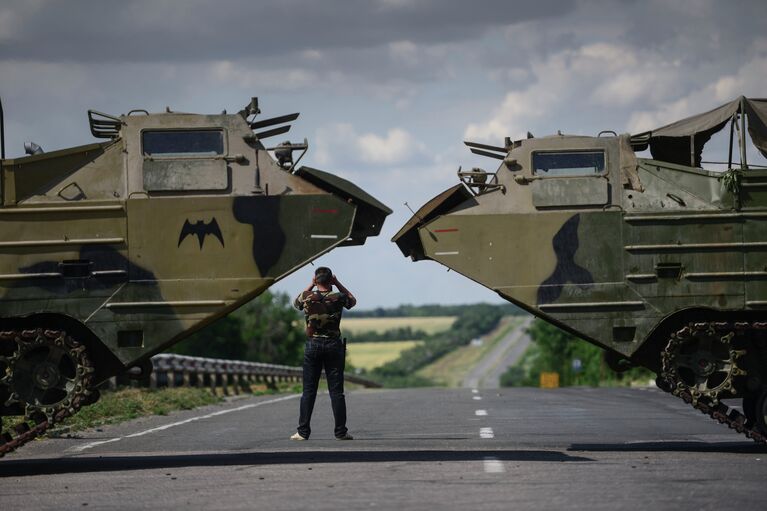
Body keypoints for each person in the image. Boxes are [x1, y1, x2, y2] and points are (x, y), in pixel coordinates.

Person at [290, 266, 356, 441]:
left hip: (313, 345)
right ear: (330, 280)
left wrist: (310, 285)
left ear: (316, 279)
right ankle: (341, 432)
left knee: (308, 391)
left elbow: (296, 303)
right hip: (334, 345)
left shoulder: (307, 297)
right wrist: (338, 283)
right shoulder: (338, 297)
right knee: (336, 392)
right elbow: (352, 301)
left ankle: (303, 432)